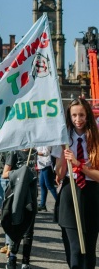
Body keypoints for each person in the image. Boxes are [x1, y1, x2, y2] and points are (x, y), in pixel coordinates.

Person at [53, 98, 99, 269]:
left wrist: (79, 165)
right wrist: (64, 160)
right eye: (74, 115)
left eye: (81, 115)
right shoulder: (64, 137)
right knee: (74, 250)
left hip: (91, 193)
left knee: (88, 249)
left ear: (88, 116)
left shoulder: (96, 137)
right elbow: (59, 176)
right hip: (70, 192)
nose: (78, 119)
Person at [2, 148, 38, 269]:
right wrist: (21, 173)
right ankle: (12, 258)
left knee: (29, 230)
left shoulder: (34, 151)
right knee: (16, 225)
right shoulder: (14, 151)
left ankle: (25, 262)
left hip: (31, 194)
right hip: (16, 195)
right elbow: (5, 173)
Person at [36, 146, 57, 212]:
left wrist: (36, 152)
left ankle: (59, 203)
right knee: (42, 185)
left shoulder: (47, 140)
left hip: (47, 164)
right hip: (41, 165)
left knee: (49, 185)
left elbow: (46, 153)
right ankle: (42, 205)